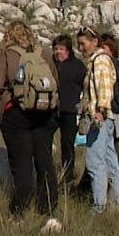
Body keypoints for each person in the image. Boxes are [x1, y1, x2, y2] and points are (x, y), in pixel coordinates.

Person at [0, 21, 62, 232]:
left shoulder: (7, 55)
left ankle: (19, 209)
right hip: (45, 114)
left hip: (17, 113)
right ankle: (48, 209)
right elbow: (56, 82)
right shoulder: (44, 53)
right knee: (44, 160)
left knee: (21, 163)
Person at [77, 26, 119, 213]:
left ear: (94, 42)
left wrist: (100, 110)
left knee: (95, 162)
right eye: (79, 44)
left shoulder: (100, 61)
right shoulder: (96, 62)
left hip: (100, 118)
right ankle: (117, 204)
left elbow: (104, 87)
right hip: (106, 118)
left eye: (84, 43)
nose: (81, 48)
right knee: (110, 161)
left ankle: (100, 205)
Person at [51, 34, 87, 188]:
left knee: (67, 145)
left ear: (68, 50)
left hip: (69, 111)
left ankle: (67, 178)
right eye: (56, 49)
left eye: (62, 49)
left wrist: (82, 105)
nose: (58, 52)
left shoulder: (77, 66)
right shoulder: (50, 64)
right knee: (45, 144)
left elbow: (87, 85)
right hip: (50, 110)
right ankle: (48, 175)